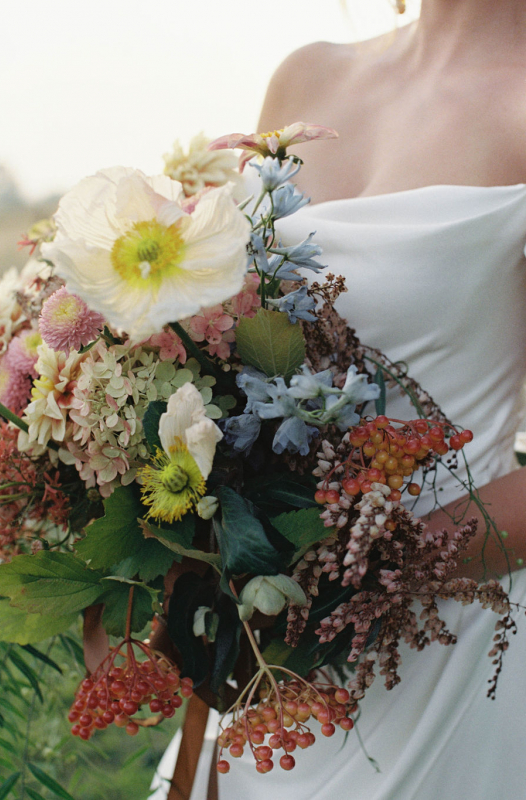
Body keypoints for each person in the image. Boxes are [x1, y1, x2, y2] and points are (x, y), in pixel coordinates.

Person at [152, 2, 526, 797]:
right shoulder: (307, 74)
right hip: (263, 660)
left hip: (444, 655)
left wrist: (357, 571)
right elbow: (229, 321)